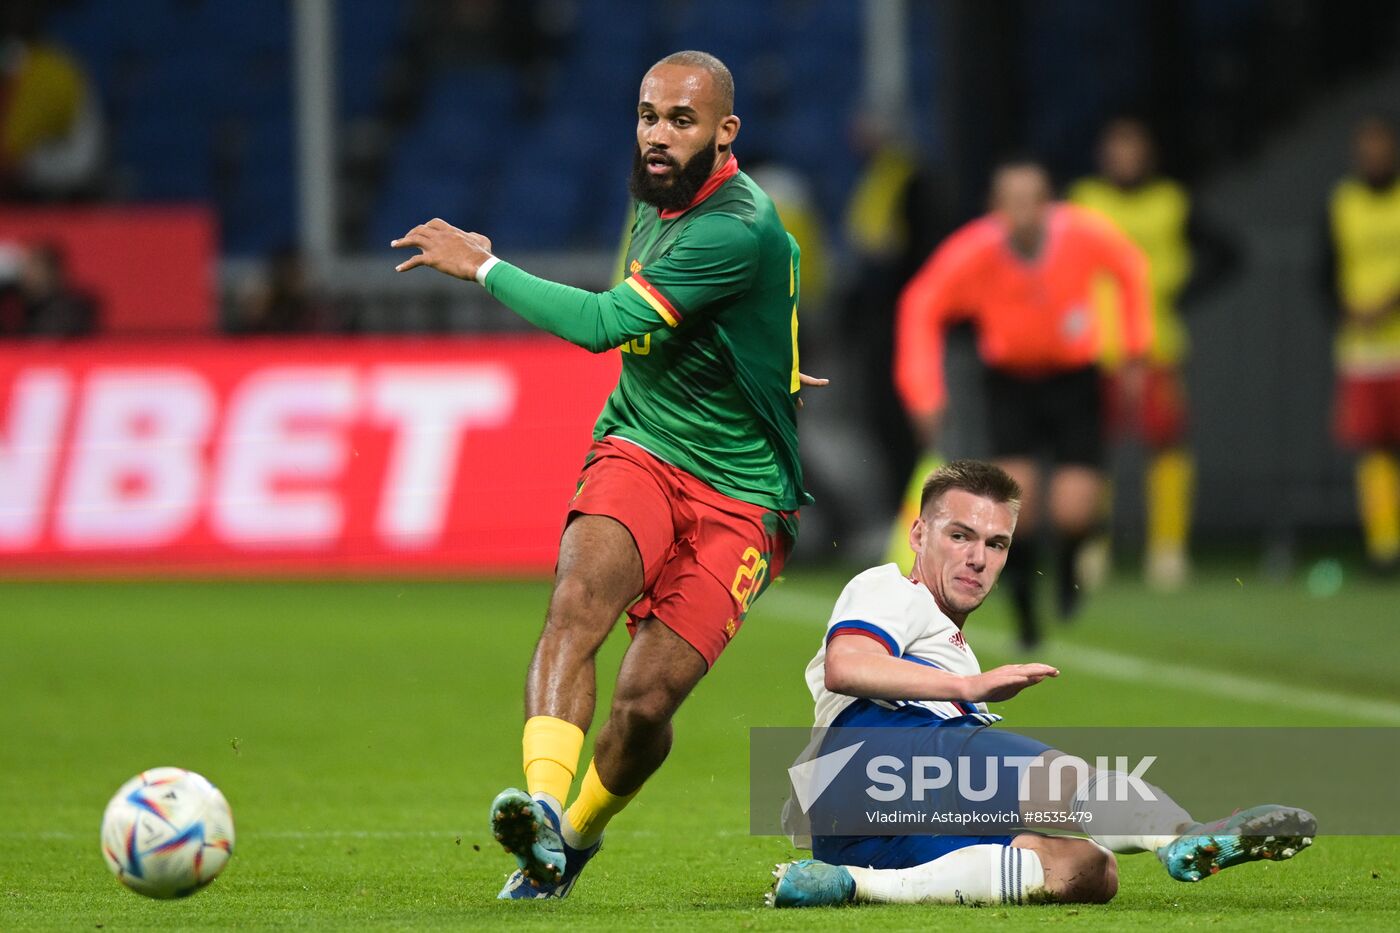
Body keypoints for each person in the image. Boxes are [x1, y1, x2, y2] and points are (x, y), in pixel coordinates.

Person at [392, 50, 817, 900]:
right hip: (642, 446)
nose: (658, 136)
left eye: (681, 122)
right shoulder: (654, 187)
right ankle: (542, 810)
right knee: (578, 600)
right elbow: (775, 284)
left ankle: (575, 836)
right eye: (648, 115)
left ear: (725, 133)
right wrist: (775, 356)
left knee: (645, 704)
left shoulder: (737, 224)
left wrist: (483, 264)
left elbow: (602, 324)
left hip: (742, 495)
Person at [766, 460, 1314, 909]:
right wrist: (969, 688)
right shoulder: (891, 587)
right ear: (918, 533)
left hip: (851, 831)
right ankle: (1180, 835)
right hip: (872, 755)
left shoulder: (948, 643)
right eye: (959, 535)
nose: (977, 559)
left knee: (1089, 870)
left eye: (996, 544)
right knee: (1062, 781)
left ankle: (847, 884)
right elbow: (848, 664)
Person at [895, 159, 1153, 648]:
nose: (1023, 213)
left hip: (1075, 379)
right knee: (1018, 506)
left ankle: (1071, 567)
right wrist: (923, 392)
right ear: (996, 209)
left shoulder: (1081, 235)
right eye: (1010, 202)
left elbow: (1131, 269)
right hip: (1011, 383)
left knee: (1076, 508)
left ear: (1048, 203)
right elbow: (921, 304)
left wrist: (1136, 352)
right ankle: (1026, 619)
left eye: (1032, 200)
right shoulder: (975, 251)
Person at [1070, 118, 1238, 590]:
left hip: (1158, 347)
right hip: (1096, 349)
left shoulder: (1171, 202)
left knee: (1165, 447)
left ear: (1149, 154)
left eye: (1133, 148)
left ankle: (1167, 550)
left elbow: (1227, 254)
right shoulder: (1084, 201)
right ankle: (1091, 549)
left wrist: (1177, 292)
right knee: (1092, 454)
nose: (1124, 158)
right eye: (1116, 148)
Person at [1324, 115, 1400, 575]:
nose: (1373, 156)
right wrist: (1345, 309)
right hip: (1361, 351)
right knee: (1371, 449)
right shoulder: (1342, 202)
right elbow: (1324, 270)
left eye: (1380, 146)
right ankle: (1384, 546)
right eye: (1365, 148)